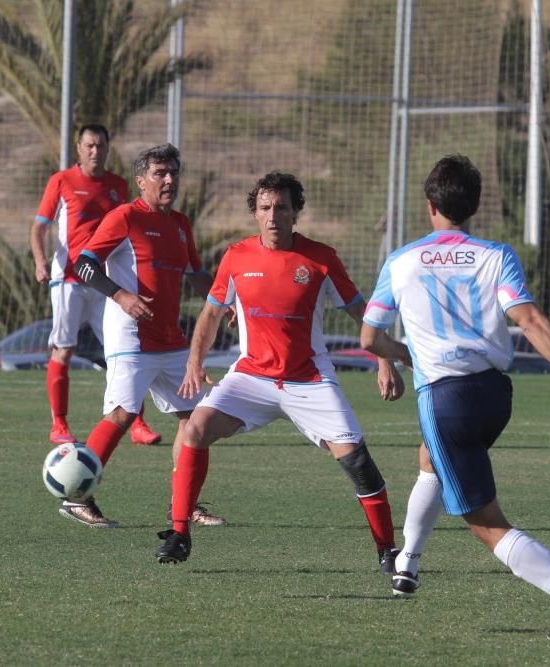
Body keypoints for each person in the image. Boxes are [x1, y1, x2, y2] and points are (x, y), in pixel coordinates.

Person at [361, 154, 550, 641]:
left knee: (484, 522)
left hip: (446, 398)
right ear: (473, 206)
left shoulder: (402, 260)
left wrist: (404, 355)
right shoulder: (497, 255)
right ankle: (407, 564)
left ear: (430, 204)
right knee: (432, 458)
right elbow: (531, 321)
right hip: (495, 395)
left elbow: (370, 338)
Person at [153, 171, 403, 574]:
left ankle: (388, 551)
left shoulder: (321, 259)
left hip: (310, 380)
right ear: (255, 213)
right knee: (195, 428)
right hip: (251, 378)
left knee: (357, 460)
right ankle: (179, 533)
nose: (273, 216)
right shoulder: (236, 257)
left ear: (295, 213)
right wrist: (194, 362)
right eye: (265, 208)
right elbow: (212, 313)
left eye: (282, 208)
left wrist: (385, 359)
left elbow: (362, 311)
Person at [61, 143, 222, 528]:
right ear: (140, 181)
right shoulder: (125, 217)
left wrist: (224, 303)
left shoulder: (181, 224)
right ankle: (77, 498)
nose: (169, 181)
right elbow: (83, 265)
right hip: (130, 336)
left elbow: (197, 275)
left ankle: (185, 506)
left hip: (171, 340)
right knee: (122, 414)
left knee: (195, 419)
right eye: (159, 174)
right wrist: (120, 294)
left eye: (173, 174)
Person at [31, 124, 162, 446]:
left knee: (126, 351)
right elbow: (39, 228)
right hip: (68, 280)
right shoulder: (61, 181)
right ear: (79, 147)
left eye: (100, 145)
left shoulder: (117, 185)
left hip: (106, 284)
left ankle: (137, 424)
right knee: (64, 349)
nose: (95, 151)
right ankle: (59, 425)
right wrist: (40, 261)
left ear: (107, 147)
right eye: (89, 145)